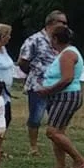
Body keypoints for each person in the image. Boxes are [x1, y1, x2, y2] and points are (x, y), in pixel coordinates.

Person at [38, 25, 84, 168]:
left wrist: (47, 90)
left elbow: (67, 79)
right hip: (60, 96)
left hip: (66, 96)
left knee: (52, 132)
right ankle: (60, 167)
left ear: (55, 39)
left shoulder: (68, 55)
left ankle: (80, 160)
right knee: (59, 132)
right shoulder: (65, 53)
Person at [19, 10, 67, 156]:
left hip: (58, 86)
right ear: (51, 23)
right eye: (62, 22)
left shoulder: (62, 40)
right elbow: (23, 61)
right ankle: (33, 147)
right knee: (36, 117)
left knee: (57, 118)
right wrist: (34, 74)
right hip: (38, 86)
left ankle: (58, 147)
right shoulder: (34, 40)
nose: (65, 26)